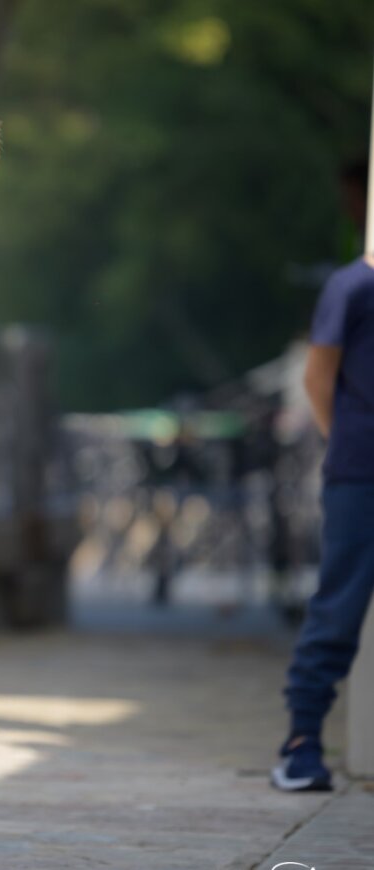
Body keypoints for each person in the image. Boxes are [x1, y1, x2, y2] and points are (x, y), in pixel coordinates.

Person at [272, 244, 374, 792]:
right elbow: (318, 377)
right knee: (339, 609)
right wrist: (348, 442)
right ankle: (301, 744)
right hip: (361, 475)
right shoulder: (352, 286)